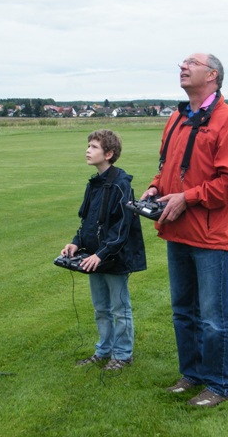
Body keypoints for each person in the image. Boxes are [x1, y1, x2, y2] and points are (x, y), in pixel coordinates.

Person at [141, 53, 228, 407]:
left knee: (215, 318)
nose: (182, 67)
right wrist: (155, 187)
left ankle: (220, 385)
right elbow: (167, 168)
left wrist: (187, 197)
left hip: (209, 236)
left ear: (212, 74)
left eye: (192, 63)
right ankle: (192, 375)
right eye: (182, 64)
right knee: (183, 311)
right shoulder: (177, 117)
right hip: (176, 230)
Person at [62, 129, 147, 371]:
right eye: (88, 145)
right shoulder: (94, 184)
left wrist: (101, 255)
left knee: (119, 309)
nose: (88, 150)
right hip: (93, 257)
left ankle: (122, 355)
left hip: (114, 258)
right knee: (101, 308)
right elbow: (88, 221)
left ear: (108, 154)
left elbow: (121, 228)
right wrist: (76, 242)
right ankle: (103, 351)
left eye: (94, 147)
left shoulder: (121, 185)